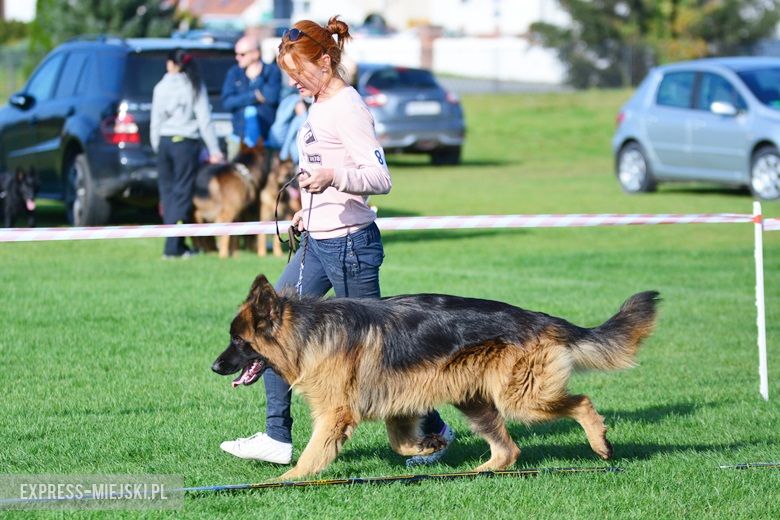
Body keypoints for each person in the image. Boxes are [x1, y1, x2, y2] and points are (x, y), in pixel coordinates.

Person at [219, 16, 455, 467]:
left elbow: (379, 177)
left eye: (298, 72)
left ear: (325, 61)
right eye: (288, 74)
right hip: (317, 242)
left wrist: (332, 177)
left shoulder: (348, 106)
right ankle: (276, 436)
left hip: (351, 246)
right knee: (269, 330)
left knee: (384, 352)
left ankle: (434, 429)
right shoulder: (318, 105)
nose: (293, 82)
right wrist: (305, 211)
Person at [150, 49, 223, 259]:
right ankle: (172, 248)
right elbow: (204, 120)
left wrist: (158, 146)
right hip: (185, 144)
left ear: (170, 64)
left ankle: (176, 245)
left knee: (168, 195)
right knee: (182, 194)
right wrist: (214, 149)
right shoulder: (194, 85)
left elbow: (156, 121)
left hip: (165, 143)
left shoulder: (160, 87)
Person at [221, 35, 282, 159]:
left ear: (255, 53)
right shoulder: (234, 73)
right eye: (236, 54)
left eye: (242, 54)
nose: (237, 58)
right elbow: (227, 102)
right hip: (238, 139)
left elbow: (272, 97)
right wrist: (255, 95)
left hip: (266, 140)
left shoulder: (271, 71)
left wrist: (242, 98)